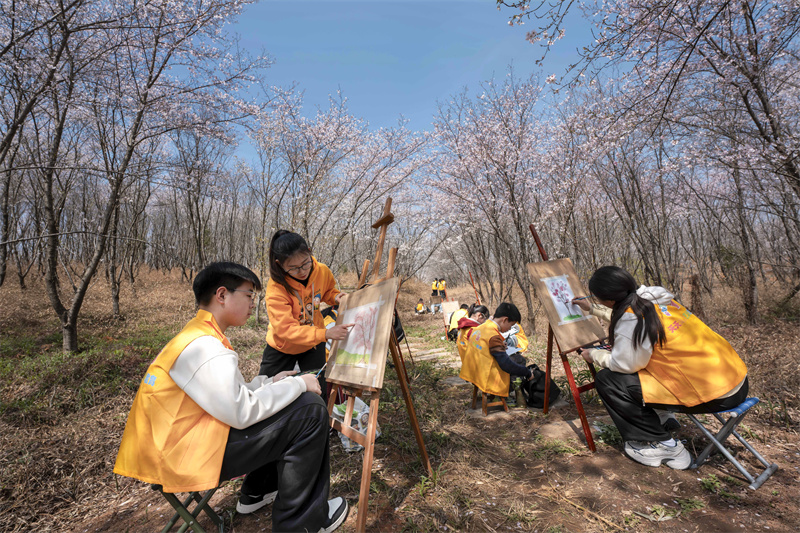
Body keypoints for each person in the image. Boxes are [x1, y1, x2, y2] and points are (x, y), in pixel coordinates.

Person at [113, 262, 348, 532]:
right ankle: (302, 524)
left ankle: (258, 491)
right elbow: (241, 412)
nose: (252, 304)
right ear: (222, 295)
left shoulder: (198, 335)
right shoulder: (205, 347)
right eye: (248, 295)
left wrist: (270, 382)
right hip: (184, 456)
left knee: (290, 405)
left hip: (176, 447)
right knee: (310, 410)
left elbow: (229, 395)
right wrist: (298, 385)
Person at [572, 266, 748, 470]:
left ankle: (664, 445)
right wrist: (592, 308)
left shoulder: (633, 318)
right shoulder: (654, 298)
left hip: (715, 395)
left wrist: (593, 355)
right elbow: (629, 317)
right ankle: (663, 416)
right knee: (645, 364)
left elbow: (624, 363)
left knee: (609, 380)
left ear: (610, 300)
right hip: (735, 380)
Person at [261, 231, 353, 391]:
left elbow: (327, 291)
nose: (302, 271)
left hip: (313, 345)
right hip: (283, 346)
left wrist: (335, 297)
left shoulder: (322, 271)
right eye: (293, 268)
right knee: (267, 389)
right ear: (279, 264)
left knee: (318, 389)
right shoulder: (276, 288)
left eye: (305, 263)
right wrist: (325, 334)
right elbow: (286, 329)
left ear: (309, 252)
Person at [460, 303, 534, 402]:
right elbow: (506, 365)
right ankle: (504, 395)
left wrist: (500, 344)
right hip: (486, 377)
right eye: (511, 325)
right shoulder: (493, 336)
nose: (510, 329)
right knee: (518, 361)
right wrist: (527, 372)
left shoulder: (482, 327)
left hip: (473, 372)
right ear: (505, 320)